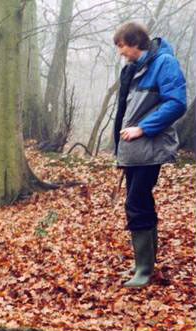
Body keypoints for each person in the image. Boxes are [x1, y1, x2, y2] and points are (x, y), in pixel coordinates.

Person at [113, 22, 186, 287]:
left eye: (122, 45)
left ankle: (143, 271)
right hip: (134, 151)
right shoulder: (132, 69)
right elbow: (124, 111)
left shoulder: (164, 63)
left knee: (136, 203)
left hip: (150, 147)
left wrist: (143, 128)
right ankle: (144, 265)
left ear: (135, 43)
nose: (120, 51)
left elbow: (177, 103)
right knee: (139, 202)